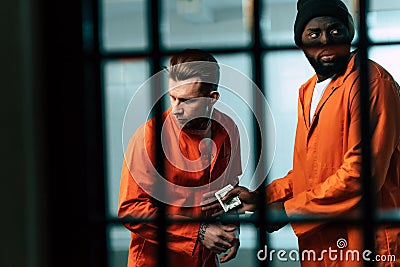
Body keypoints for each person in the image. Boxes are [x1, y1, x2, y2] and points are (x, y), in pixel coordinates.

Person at [204, 0, 400, 266]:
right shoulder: (308, 91)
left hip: (369, 246)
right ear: (301, 41)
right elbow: (312, 171)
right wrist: (264, 198)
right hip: (324, 246)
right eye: (313, 33)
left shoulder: (370, 83)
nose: (325, 41)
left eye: (335, 31)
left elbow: (361, 175)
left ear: (349, 33)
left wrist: (285, 211)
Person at [118, 49, 242, 267]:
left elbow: (231, 186)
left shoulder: (228, 129)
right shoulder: (149, 136)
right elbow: (131, 209)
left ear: (212, 99)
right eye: (172, 97)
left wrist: (232, 227)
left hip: (205, 260)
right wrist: (199, 232)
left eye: (186, 100)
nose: (175, 109)